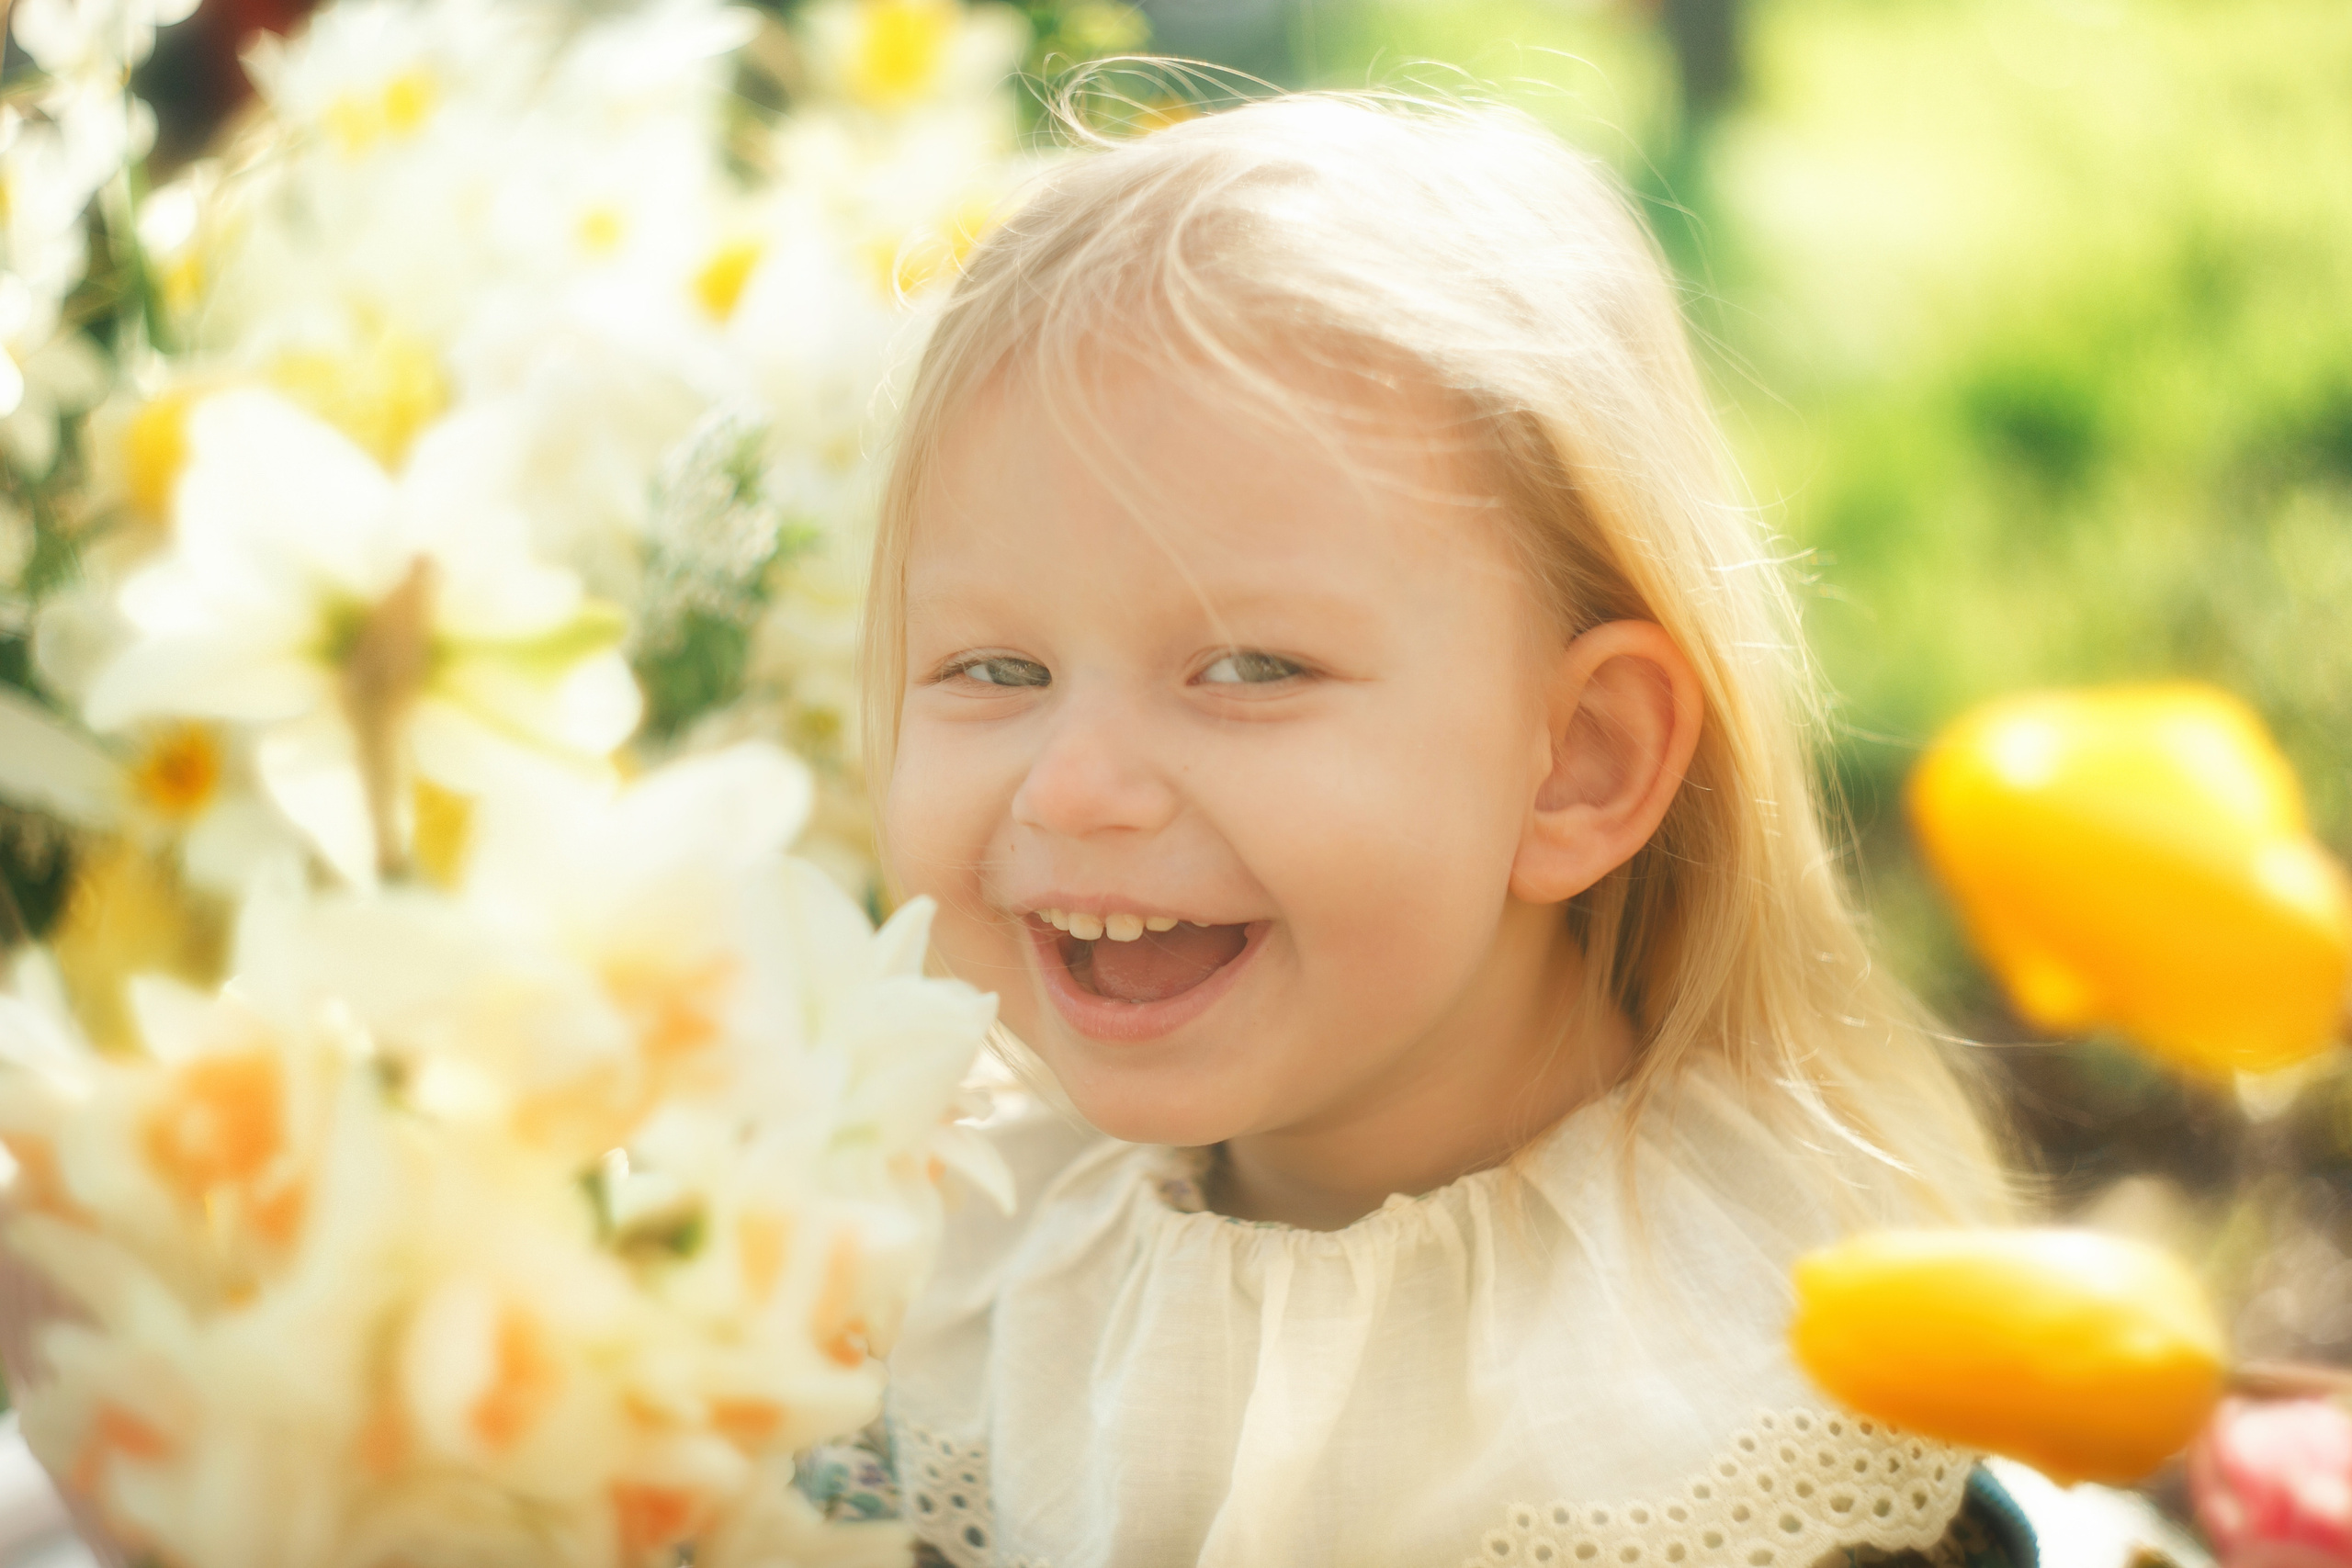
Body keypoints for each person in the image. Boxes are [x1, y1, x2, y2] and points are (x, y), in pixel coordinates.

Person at [852, 90, 2028, 1568]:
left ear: (1576, 764)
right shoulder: (942, 1250)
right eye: (993, 670)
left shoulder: (1741, 1365)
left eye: (1249, 668)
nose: (1072, 787)